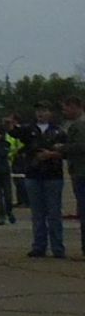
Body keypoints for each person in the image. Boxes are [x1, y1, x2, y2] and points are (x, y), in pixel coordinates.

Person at [20, 104, 68, 258]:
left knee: (54, 213)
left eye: (44, 110)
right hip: (33, 174)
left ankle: (58, 248)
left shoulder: (58, 131)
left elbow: (66, 150)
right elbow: (15, 134)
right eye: (38, 110)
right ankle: (39, 246)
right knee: (37, 213)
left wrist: (52, 153)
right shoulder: (29, 130)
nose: (41, 113)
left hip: (53, 176)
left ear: (50, 113)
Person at [63, 96, 85, 257]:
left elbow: (81, 146)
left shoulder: (80, 125)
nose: (64, 111)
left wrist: (61, 149)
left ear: (75, 107)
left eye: (66, 107)